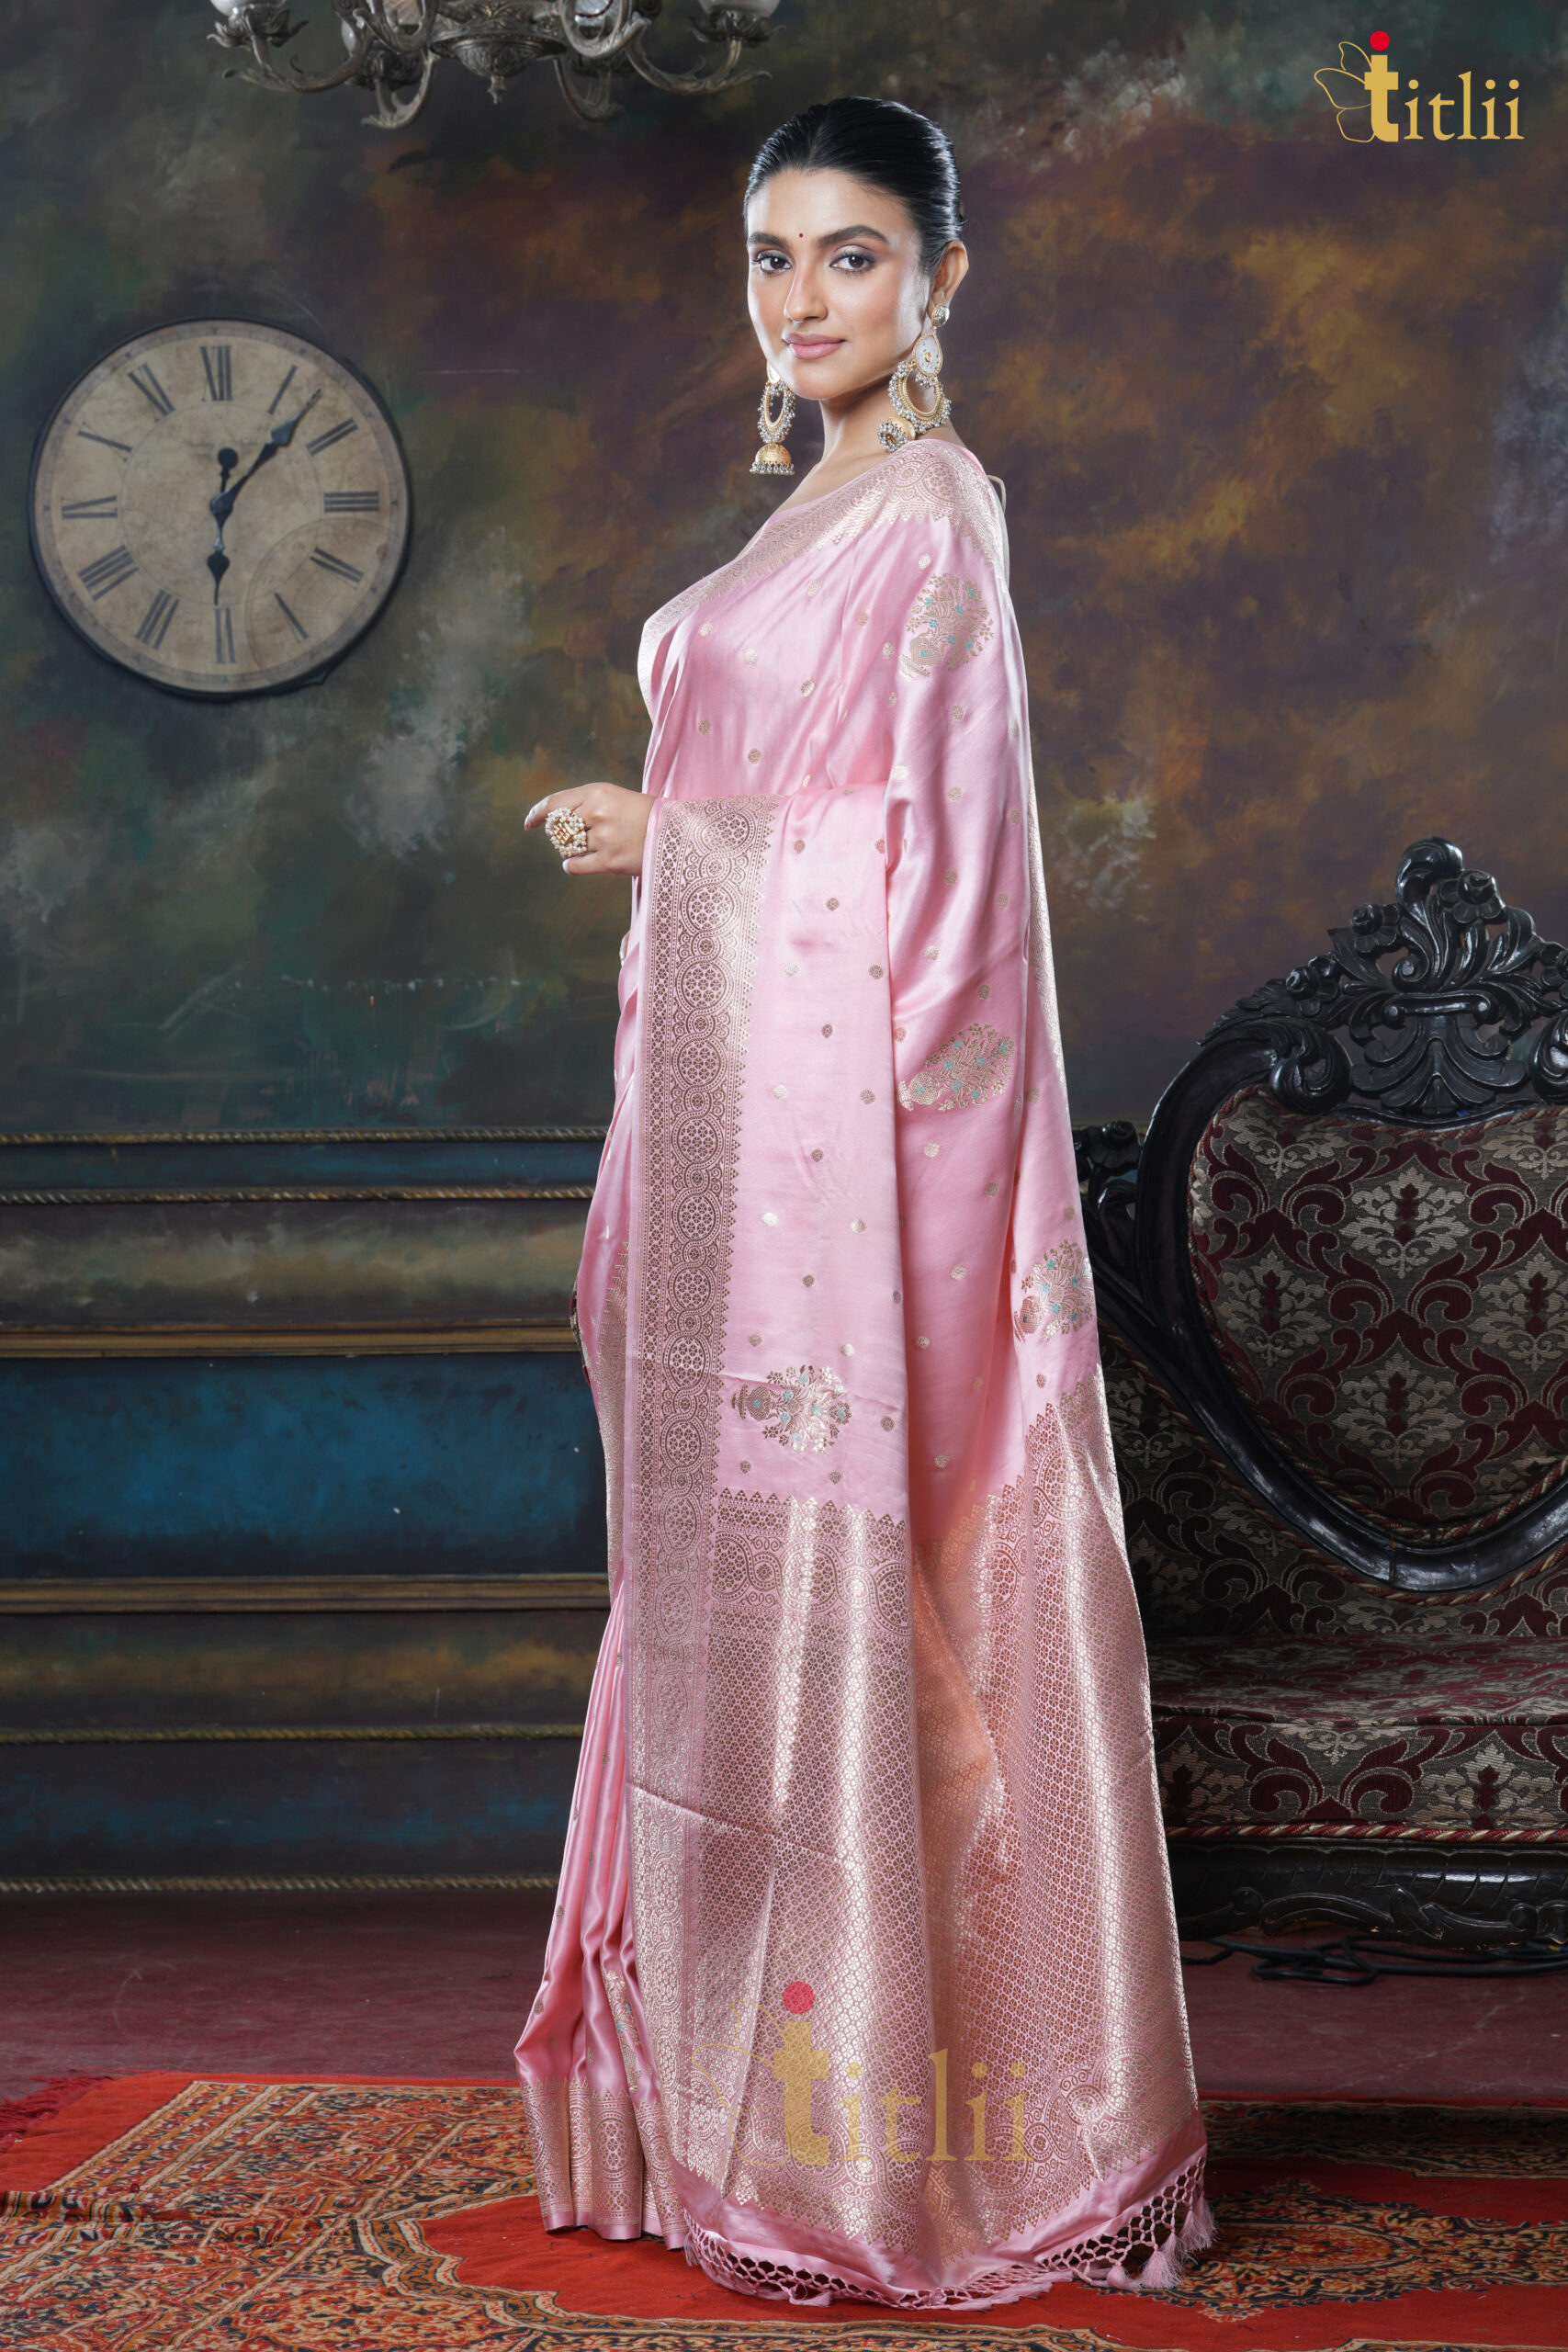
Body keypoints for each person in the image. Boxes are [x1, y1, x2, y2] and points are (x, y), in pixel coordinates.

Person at [515, 95, 1212, 2312]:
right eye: (770, 257)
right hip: (749, 1165)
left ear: (937, 278)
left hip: (875, 1177)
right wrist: (688, 845)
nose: (801, 298)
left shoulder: (930, 514)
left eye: (849, 255)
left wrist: (680, 847)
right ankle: (747, 2109)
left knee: (882, 1615)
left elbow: (948, 889)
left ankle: (905, 2136)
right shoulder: (808, 513)